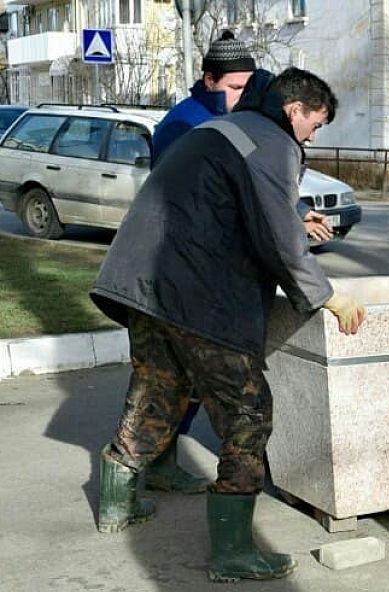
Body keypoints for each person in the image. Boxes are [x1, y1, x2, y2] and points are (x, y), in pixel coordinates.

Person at [90, 68, 366, 582]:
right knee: (249, 411)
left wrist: (294, 214)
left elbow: (236, 204)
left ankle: (115, 503)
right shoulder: (274, 142)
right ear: (294, 110)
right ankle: (233, 551)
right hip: (196, 294)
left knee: (157, 386)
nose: (312, 135)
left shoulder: (222, 128)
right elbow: (280, 237)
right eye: (316, 123)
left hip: (142, 281)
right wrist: (327, 295)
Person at [142, 33, 334, 495]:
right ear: (208, 81)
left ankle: (162, 462)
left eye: (249, 86)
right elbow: (207, 199)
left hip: (199, 272)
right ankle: (177, 470)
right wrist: (318, 285)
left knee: (179, 380)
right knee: (201, 388)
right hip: (189, 270)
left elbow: (253, 189)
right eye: (233, 87)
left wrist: (294, 211)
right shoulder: (186, 124)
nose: (242, 95)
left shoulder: (238, 121)